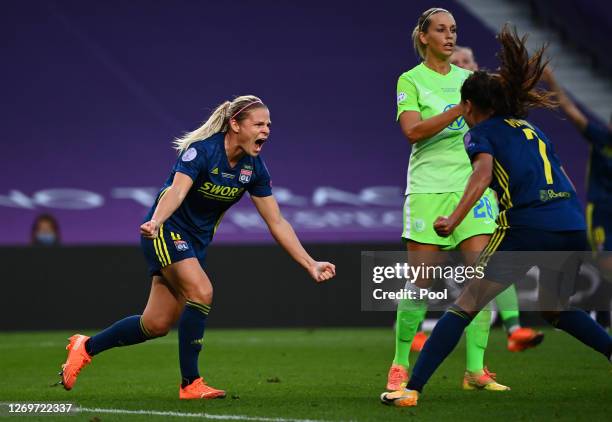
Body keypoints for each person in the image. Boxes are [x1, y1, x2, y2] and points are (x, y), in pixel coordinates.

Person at [382, 25, 612, 408]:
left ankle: (413, 387)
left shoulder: (479, 133)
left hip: (527, 227)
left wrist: (453, 219)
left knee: (464, 305)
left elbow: (482, 175)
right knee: (556, 308)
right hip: (570, 224)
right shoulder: (531, 128)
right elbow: (564, 176)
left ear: (469, 107)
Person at [56, 95, 336, 399]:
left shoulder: (254, 168)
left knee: (156, 324)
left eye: (268, 124)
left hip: (194, 243)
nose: (266, 130)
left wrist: (310, 263)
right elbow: (176, 192)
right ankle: (191, 383)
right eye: (258, 123)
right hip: (165, 231)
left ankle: (86, 347)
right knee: (202, 292)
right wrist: (157, 221)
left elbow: (277, 221)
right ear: (235, 125)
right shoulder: (201, 152)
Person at [388, 7, 509, 393]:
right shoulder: (410, 80)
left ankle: (475, 370)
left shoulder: (471, 80)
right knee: (421, 282)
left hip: (471, 188)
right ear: (424, 36)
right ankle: (399, 364)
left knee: (482, 280)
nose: (449, 36)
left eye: (453, 29)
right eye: (441, 30)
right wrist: (461, 108)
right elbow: (413, 131)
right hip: (427, 189)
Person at [451, 46, 545, 351]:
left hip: (479, 188)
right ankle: (410, 331)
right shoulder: (449, 102)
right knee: (425, 268)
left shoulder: (488, 107)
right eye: (457, 63)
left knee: (489, 264)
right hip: (442, 188)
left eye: (468, 61)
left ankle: (513, 329)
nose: (463, 65)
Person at [542, 67, 612, 329]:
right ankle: (599, 308)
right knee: (607, 265)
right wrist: (551, 80)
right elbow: (571, 111)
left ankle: (600, 309)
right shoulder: (602, 138)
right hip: (602, 210)